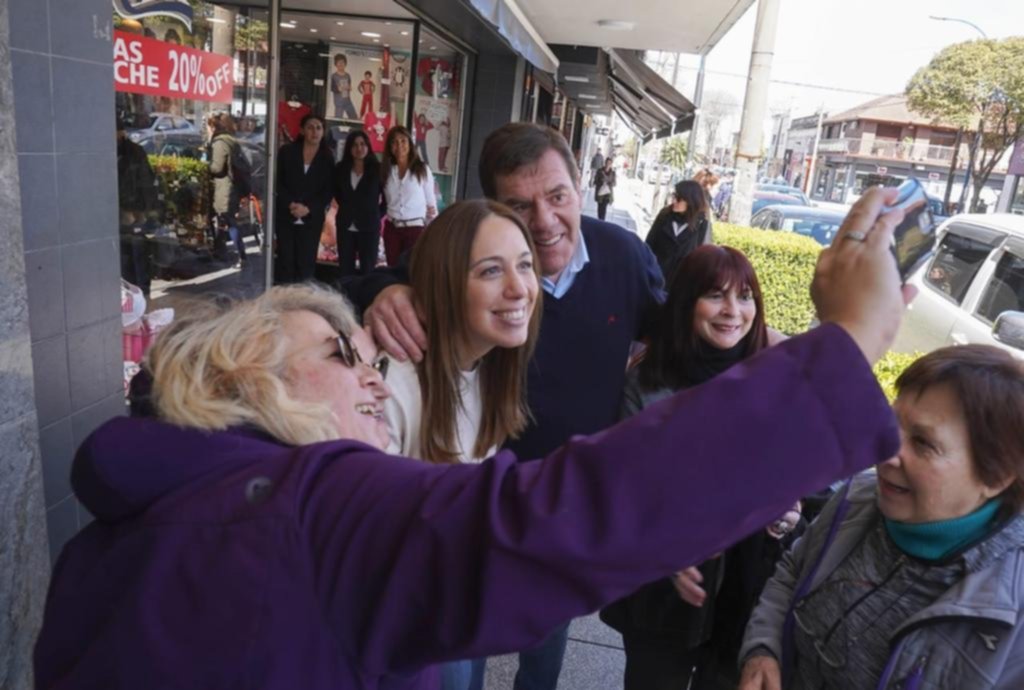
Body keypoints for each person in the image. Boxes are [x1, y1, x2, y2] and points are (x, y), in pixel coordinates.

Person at [33, 184, 914, 685]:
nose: (373, 370)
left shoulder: (122, 534)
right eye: (344, 353)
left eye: (528, 259)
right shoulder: (305, 502)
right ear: (241, 383)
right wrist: (842, 354)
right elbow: (562, 514)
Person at [344, 124, 865, 690]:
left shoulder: (620, 256)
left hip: (563, 514)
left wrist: (804, 348)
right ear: (494, 210)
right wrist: (380, 291)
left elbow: (685, 345)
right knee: (450, 666)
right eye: (519, 206)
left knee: (540, 655)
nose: (543, 223)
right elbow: (380, 292)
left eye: (558, 196)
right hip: (464, 528)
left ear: (581, 186)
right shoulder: (412, 369)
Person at [739, 345, 1024, 690]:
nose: (886, 449)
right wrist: (763, 648)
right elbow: (793, 571)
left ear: (996, 476)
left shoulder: (1012, 614)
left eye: (922, 442)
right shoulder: (857, 497)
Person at [600, 245, 799, 690]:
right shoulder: (647, 382)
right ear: (687, 301)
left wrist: (786, 518)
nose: (732, 311)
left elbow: (796, 483)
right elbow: (624, 488)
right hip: (664, 586)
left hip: (744, 589)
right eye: (716, 295)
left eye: (745, 296)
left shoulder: (773, 380)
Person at [383, 200, 541, 690]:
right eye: (491, 270)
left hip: (453, 606)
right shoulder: (390, 384)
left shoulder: (486, 369)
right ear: (446, 284)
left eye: (524, 265)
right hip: (402, 631)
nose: (519, 288)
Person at [275, 113, 334, 284]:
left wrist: (308, 208)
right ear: (301, 130)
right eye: (310, 127)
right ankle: (283, 304)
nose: (314, 132)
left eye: (318, 128)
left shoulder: (327, 157)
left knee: (306, 264)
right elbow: (277, 182)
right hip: (286, 215)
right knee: (285, 262)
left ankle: (302, 303)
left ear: (323, 132)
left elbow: (327, 190)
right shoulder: (287, 152)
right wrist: (290, 204)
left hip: (311, 218)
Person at [381, 125, 436, 266]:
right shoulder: (386, 171)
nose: (399, 145)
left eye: (403, 140)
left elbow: (431, 204)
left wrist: (433, 233)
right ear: (389, 146)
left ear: (410, 144)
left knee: (411, 271)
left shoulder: (422, 169)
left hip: (415, 230)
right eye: (394, 142)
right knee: (393, 271)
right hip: (392, 230)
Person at [116, 118, 158, 295]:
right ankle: (129, 291)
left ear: (121, 132)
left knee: (137, 253)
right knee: (125, 255)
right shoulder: (108, 151)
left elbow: (145, 183)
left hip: (133, 210)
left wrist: (143, 212)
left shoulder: (134, 152)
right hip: (120, 210)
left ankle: (142, 292)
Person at [334, 130, 384, 278]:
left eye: (362, 144)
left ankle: (364, 301)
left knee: (367, 270)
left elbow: (387, 199)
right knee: (345, 270)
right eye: (355, 145)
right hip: (345, 225)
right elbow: (337, 193)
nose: (359, 148)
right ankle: (345, 300)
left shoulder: (378, 169)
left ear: (368, 146)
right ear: (349, 148)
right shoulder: (341, 168)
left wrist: (375, 214)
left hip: (369, 227)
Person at [644, 180, 712, 282]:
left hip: (680, 285)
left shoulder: (702, 224)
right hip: (655, 278)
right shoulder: (665, 215)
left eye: (679, 198)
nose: (674, 201)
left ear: (690, 201)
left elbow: (702, 260)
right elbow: (649, 244)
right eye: (674, 196)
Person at [207, 112, 246, 266]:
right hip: (232, 187)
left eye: (208, 126)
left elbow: (217, 168)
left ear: (213, 127)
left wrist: (206, 165)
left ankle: (241, 256)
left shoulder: (220, 142)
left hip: (225, 188)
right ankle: (220, 251)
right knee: (224, 220)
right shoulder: (231, 140)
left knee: (228, 221)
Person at [331, 54, 358, 120]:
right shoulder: (333, 76)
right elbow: (332, 88)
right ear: (335, 64)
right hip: (339, 103)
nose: (340, 64)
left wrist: (349, 88)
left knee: (354, 118)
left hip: (348, 101)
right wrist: (338, 89)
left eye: (342, 62)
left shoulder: (348, 75)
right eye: (338, 62)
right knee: (337, 120)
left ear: (345, 63)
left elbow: (349, 86)